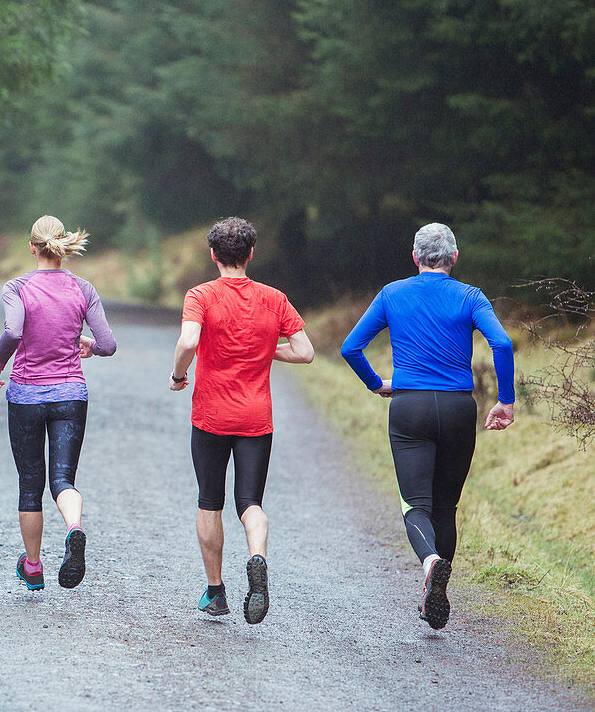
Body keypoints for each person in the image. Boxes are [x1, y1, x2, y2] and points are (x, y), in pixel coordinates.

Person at [341, 222, 514, 630]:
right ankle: (438, 589)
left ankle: (431, 564)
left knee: (415, 504)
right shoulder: (470, 296)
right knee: (446, 506)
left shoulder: (392, 293)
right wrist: (505, 401)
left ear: (415, 258)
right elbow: (502, 343)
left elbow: (350, 346)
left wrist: (377, 384)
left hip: (409, 407)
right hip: (457, 408)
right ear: (454, 258)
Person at [170, 217, 314, 623]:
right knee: (250, 503)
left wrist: (179, 374)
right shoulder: (274, 298)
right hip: (256, 418)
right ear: (251, 254)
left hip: (211, 416)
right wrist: (267, 350)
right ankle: (256, 559)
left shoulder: (201, 295)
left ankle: (216, 592)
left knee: (209, 502)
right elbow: (304, 352)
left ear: (213, 255)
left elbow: (188, 340)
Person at [0, 215, 116, 592]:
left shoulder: (17, 287)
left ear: (32, 246)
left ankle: (33, 566)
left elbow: (13, 330)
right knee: (63, 479)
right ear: (62, 246)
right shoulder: (83, 288)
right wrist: (86, 343)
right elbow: (107, 345)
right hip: (70, 395)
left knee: (30, 484)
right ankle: (74, 528)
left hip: (26, 394)